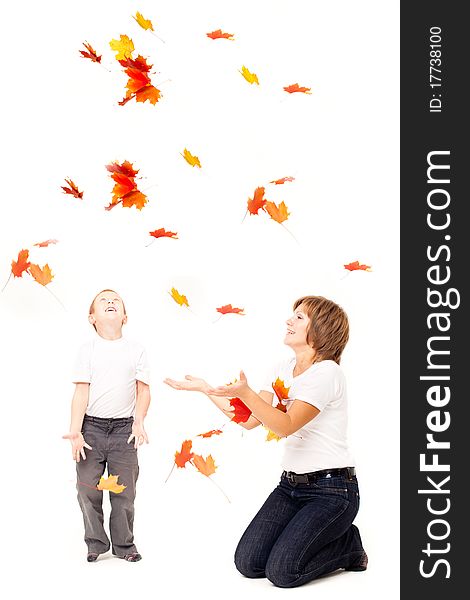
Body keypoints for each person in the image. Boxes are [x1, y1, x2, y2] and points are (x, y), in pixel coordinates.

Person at [164, 295, 367, 587]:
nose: (289, 321)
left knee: (283, 572)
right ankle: (312, 536)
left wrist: (246, 393)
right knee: (249, 563)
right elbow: (250, 419)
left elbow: (285, 425)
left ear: (320, 328)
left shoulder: (327, 374)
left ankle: (349, 545)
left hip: (332, 491)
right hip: (290, 487)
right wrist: (206, 389)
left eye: (299, 317)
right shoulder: (282, 369)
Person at [63, 289, 151, 563]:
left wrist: (139, 422)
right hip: (91, 429)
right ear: (92, 318)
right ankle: (96, 542)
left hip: (124, 430)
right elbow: (81, 393)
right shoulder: (86, 350)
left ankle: (124, 545)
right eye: (103, 301)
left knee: (124, 491)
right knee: (87, 488)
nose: (110, 302)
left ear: (125, 316)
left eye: (116, 301)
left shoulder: (136, 350)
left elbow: (143, 391)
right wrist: (76, 431)